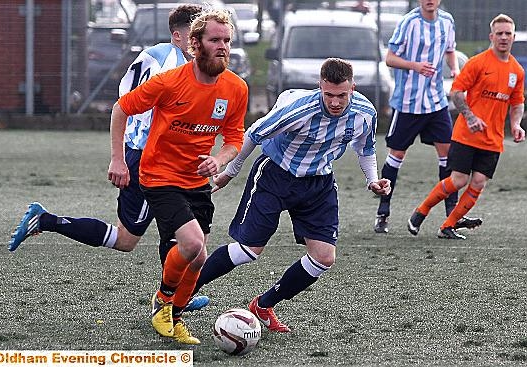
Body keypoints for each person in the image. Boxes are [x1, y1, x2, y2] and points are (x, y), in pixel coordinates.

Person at [8, 5, 209, 312]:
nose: (203, 41)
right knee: (127, 239)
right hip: (148, 157)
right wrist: (120, 157)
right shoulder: (169, 62)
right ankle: (46, 219)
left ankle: (174, 296)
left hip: (162, 156)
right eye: (198, 34)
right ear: (179, 35)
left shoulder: (166, 58)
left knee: (176, 229)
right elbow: (126, 105)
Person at [192, 58, 391, 332]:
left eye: (342, 95)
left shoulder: (364, 112)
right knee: (248, 250)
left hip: (318, 184)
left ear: (352, 88)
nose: (335, 102)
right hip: (276, 175)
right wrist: (231, 171)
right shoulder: (299, 110)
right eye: (329, 95)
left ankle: (262, 306)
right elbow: (254, 133)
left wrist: (372, 180)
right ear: (320, 87)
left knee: (323, 257)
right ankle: (182, 291)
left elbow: (365, 148)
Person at [110, 9, 247, 344]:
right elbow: (121, 108)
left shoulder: (236, 88)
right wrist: (118, 159)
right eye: (215, 40)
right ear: (195, 44)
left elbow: (235, 138)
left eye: (227, 40)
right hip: (159, 176)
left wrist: (220, 159)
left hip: (196, 182)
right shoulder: (169, 82)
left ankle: (177, 314)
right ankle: (162, 302)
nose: (222, 46)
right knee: (193, 243)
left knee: (198, 257)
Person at [407, 13, 525, 239]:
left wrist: (516, 124)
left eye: (507, 33)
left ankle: (447, 226)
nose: (503, 37)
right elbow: (456, 92)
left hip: (493, 139)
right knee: (458, 180)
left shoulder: (517, 71)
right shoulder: (478, 63)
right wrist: (470, 117)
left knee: (479, 183)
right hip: (466, 135)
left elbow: (517, 102)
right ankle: (421, 212)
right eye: (499, 33)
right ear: (491, 36)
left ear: (513, 37)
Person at [374, 0, 482, 234]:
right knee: (397, 156)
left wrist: (455, 69)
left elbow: (450, 50)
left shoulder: (447, 21)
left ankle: (450, 219)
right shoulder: (408, 22)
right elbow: (390, 58)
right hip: (408, 103)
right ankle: (383, 212)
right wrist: (414, 66)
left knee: (448, 156)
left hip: (436, 103)